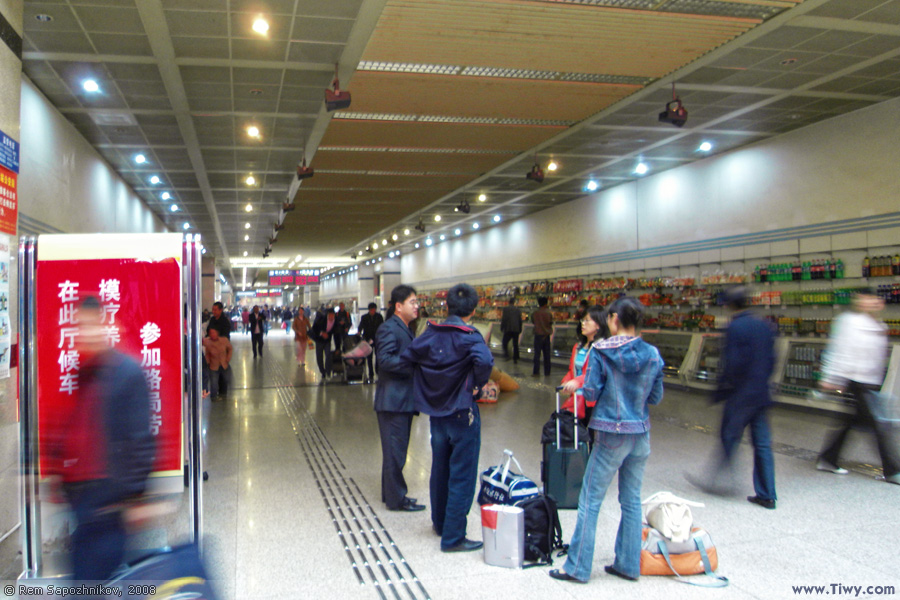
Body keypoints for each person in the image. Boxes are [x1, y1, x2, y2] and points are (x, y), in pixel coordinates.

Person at [550, 297, 663, 584]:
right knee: (631, 499)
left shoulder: (601, 351)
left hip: (612, 434)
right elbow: (656, 397)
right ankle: (627, 564)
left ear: (613, 319)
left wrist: (588, 390)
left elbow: (590, 393)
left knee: (590, 499)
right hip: (641, 435)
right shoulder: (652, 354)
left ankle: (577, 567)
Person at [45, 297, 155, 582]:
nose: (85, 333)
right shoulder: (83, 373)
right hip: (82, 502)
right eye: (81, 326)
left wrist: (135, 496)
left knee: (92, 583)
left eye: (92, 325)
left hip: (109, 502)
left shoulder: (127, 373)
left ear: (107, 326)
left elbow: (140, 439)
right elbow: (72, 429)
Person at [401, 283, 494, 553]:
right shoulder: (470, 335)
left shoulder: (432, 332)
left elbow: (409, 356)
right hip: (463, 413)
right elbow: (485, 362)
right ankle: (453, 537)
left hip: (437, 415)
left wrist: (432, 378)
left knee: (439, 469)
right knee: (462, 474)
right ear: (474, 309)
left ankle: (440, 523)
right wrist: (475, 384)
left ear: (447, 306)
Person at [688, 287, 779, 509]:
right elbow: (773, 358)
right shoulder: (764, 325)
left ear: (730, 305)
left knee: (729, 436)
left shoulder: (735, 327)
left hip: (740, 394)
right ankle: (767, 494)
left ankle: (716, 479)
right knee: (763, 444)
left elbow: (732, 363)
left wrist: (722, 390)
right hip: (761, 393)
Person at [818, 288, 899, 485]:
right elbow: (838, 350)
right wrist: (831, 377)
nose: (867, 302)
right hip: (855, 380)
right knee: (879, 425)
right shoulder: (848, 321)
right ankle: (893, 470)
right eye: (863, 299)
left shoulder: (878, 324)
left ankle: (828, 458)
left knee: (851, 421)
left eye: (871, 299)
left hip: (870, 382)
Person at [374, 287, 425, 513]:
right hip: (393, 401)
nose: (417, 306)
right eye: (412, 302)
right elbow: (384, 361)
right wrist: (412, 361)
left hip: (402, 400)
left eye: (417, 302)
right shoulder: (388, 328)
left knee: (395, 452)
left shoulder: (405, 328)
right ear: (398, 306)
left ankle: (391, 494)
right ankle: (397, 499)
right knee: (395, 452)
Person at [560, 305, 609, 428]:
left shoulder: (603, 347)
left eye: (587, 320)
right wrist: (566, 382)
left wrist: (577, 381)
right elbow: (573, 370)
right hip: (577, 400)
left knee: (593, 438)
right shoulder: (578, 347)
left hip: (595, 402)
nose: (583, 324)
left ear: (598, 324)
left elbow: (597, 373)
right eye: (582, 320)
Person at [207, 301, 231, 396]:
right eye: (213, 309)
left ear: (221, 310)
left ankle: (223, 392)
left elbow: (225, 336)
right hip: (212, 349)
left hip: (222, 350)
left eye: (215, 309)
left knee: (222, 372)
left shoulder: (225, 321)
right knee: (213, 371)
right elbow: (208, 330)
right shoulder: (212, 320)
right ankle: (214, 392)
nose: (213, 311)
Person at [203, 327, 232, 399]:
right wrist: (208, 362)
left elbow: (230, 348)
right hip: (213, 365)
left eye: (214, 332)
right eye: (211, 333)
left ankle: (223, 393)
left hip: (223, 364)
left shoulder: (224, 340)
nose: (213, 334)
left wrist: (228, 358)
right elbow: (206, 352)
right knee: (214, 382)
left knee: (226, 379)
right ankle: (214, 396)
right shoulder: (208, 342)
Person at [359, 302, 385, 383]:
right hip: (368, 339)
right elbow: (361, 326)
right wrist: (359, 332)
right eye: (371, 310)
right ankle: (371, 373)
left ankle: (377, 371)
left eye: (374, 309)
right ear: (369, 310)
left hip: (377, 339)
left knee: (378, 356)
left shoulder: (379, 317)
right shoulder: (364, 318)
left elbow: (382, 327)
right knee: (369, 357)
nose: (373, 311)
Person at [312, 306, 337, 382]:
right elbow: (314, 328)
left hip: (327, 341)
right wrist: (321, 333)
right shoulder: (321, 319)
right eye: (330, 315)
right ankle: (322, 371)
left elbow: (337, 333)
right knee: (319, 357)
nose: (331, 317)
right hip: (319, 340)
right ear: (327, 314)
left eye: (333, 315)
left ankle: (328, 371)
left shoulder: (336, 321)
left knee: (328, 355)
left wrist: (338, 346)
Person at [532, 296, 553, 376]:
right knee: (547, 355)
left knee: (537, 355)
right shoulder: (548, 313)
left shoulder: (535, 313)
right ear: (546, 303)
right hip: (546, 336)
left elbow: (533, 321)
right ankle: (547, 372)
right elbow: (550, 322)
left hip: (537, 335)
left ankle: (536, 372)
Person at [500, 297, 523, 363]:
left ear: (508, 302)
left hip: (508, 328)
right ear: (514, 302)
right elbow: (520, 320)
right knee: (515, 344)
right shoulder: (518, 310)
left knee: (504, 342)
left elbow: (504, 319)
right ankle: (515, 358)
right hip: (516, 329)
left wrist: (502, 327)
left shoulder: (505, 309)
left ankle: (507, 355)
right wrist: (520, 328)